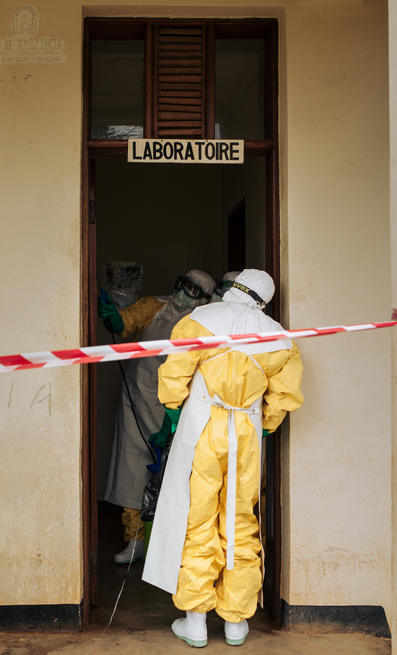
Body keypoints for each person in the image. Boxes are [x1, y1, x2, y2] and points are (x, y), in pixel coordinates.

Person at [142, 269, 303, 647]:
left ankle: (195, 620)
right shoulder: (280, 337)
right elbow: (284, 396)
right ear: (264, 301)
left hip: (202, 425)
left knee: (197, 517)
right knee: (240, 518)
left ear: (231, 289)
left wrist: (173, 411)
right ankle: (235, 621)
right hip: (247, 432)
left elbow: (173, 376)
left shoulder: (199, 321)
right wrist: (265, 426)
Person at [99, 269, 216, 564]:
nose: (183, 292)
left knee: (176, 474)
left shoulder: (205, 322)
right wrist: (111, 314)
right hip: (138, 399)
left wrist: (171, 420)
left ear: (203, 298)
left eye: (193, 290)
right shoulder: (154, 306)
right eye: (183, 284)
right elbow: (124, 324)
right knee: (131, 470)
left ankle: (170, 544)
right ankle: (135, 541)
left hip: (176, 407)